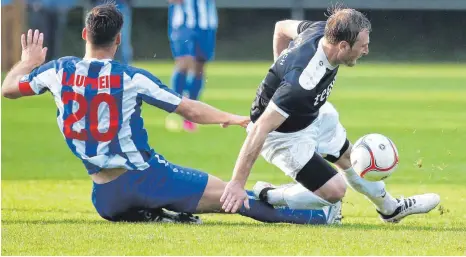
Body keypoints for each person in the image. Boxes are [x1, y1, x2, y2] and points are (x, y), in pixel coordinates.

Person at [1, 3, 340, 225]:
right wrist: (232, 117)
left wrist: (29, 62)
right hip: (146, 179)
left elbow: (8, 89)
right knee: (234, 197)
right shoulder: (130, 77)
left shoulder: (57, 71)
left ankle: (155, 215)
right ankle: (320, 217)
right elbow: (187, 107)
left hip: (103, 196)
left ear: (84, 34)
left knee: (171, 198)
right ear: (118, 39)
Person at [220, 7, 440, 223]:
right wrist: (237, 183)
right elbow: (260, 129)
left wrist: (278, 68)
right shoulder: (302, 83)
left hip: (312, 112)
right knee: (334, 191)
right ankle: (268, 195)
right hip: (283, 135)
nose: (366, 51)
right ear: (343, 46)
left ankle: (391, 209)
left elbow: (281, 28)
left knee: (349, 157)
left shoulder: (321, 30)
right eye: (362, 46)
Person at [165, 0, 218, 132]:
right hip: (183, 23)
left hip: (206, 23)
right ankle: (175, 108)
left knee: (199, 66)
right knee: (184, 63)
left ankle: (191, 113)